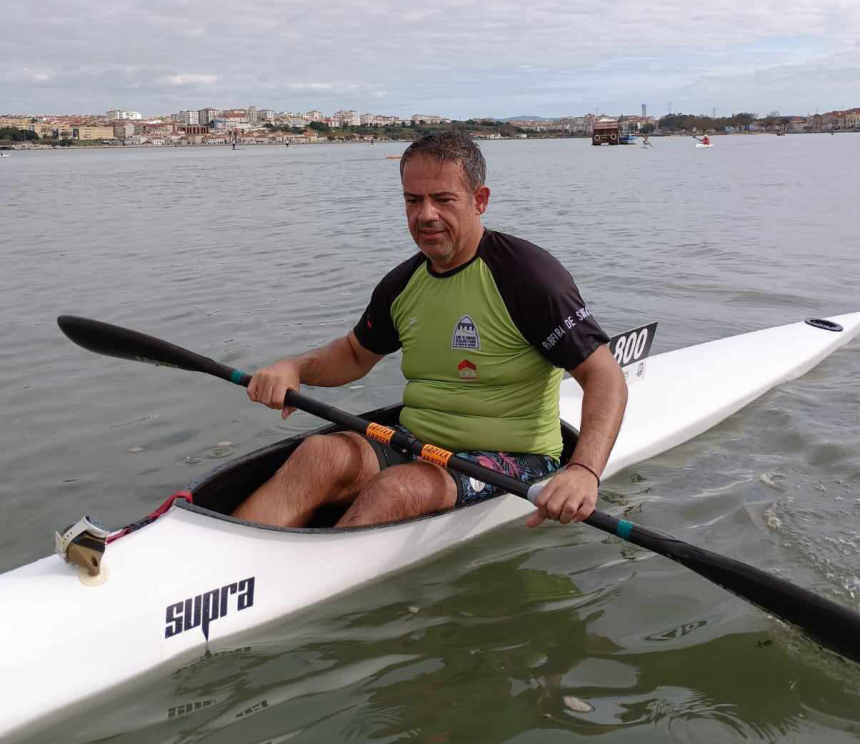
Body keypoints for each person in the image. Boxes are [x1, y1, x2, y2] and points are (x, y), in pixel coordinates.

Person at [233, 130, 628, 530]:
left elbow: (604, 377)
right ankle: (226, 560)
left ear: (480, 200)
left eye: (443, 199)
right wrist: (295, 368)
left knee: (398, 489)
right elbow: (353, 355)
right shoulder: (401, 285)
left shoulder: (529, 278)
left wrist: (584, 471)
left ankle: (305, 577)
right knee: (319, 454)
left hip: (513, 455)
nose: (425, 215)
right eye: (413, 200)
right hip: (416, 441)